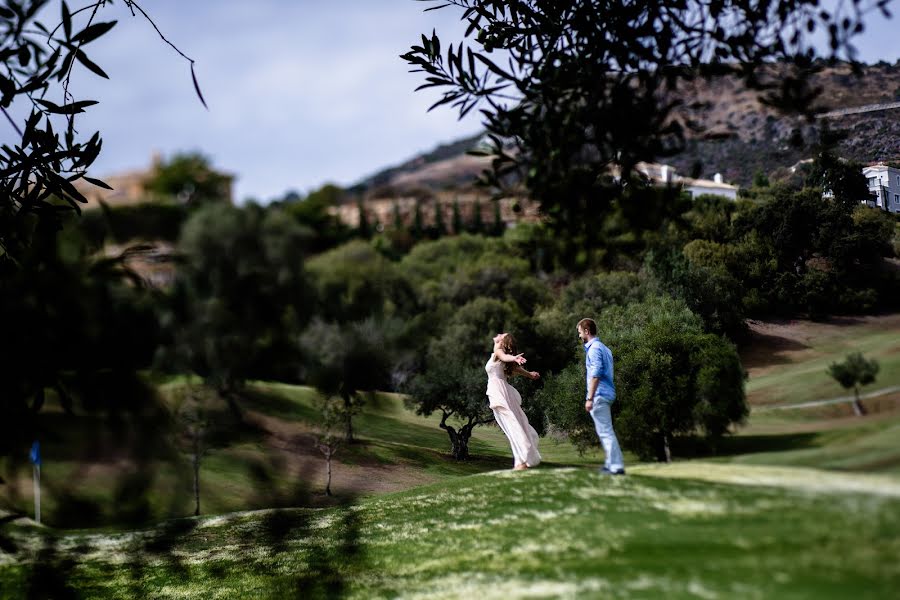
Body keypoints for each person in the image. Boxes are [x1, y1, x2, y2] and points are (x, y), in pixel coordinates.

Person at [485, 332, 542, 470]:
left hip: (498, 390)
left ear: (502, 342)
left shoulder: (498, 352)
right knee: (512, 423)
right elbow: (515, 369)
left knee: (511, 423)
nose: (498, 334)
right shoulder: (500, 358)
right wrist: (529, 374)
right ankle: (520, 461)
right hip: (502, 390)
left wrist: (513, 358)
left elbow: (506, 357)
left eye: (502, 334)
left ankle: (522, 458)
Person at [577, 318, 625, 475]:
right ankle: (611, 464)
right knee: (605, 431)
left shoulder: (594, 349)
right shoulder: (605, 348)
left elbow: (596, 373)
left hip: (599, 395)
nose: (579, 336)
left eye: (580, 332)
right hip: (607, 393)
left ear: (586, 331)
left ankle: (616, 466)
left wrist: (589, 398)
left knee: (605, 432)